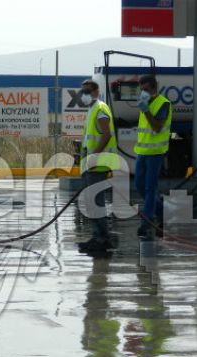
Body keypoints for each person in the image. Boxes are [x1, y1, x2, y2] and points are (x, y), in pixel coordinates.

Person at [78, 79, 119, 253]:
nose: (84, 95)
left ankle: (102, 239)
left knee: (96, 202)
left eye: (87, 91)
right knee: (92, 202)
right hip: (91, 164)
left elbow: (107, 134)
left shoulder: (100, 109)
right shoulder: (92, 109)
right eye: (82, 91)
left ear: (96, 91)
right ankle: (98, 237)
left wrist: (94, 156)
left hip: (98, 164)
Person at [133, 75, 172, 238]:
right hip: (142, 153)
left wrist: (146, 110)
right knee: (139, 185)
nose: (143, 93)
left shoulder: (163, 104)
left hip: (156, 153)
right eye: (141, 90)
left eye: (146, 90)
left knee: (150, 188)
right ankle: (161, 210)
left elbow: (156, 127)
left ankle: (147, 221)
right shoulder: (145, 104)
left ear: (155, 89)